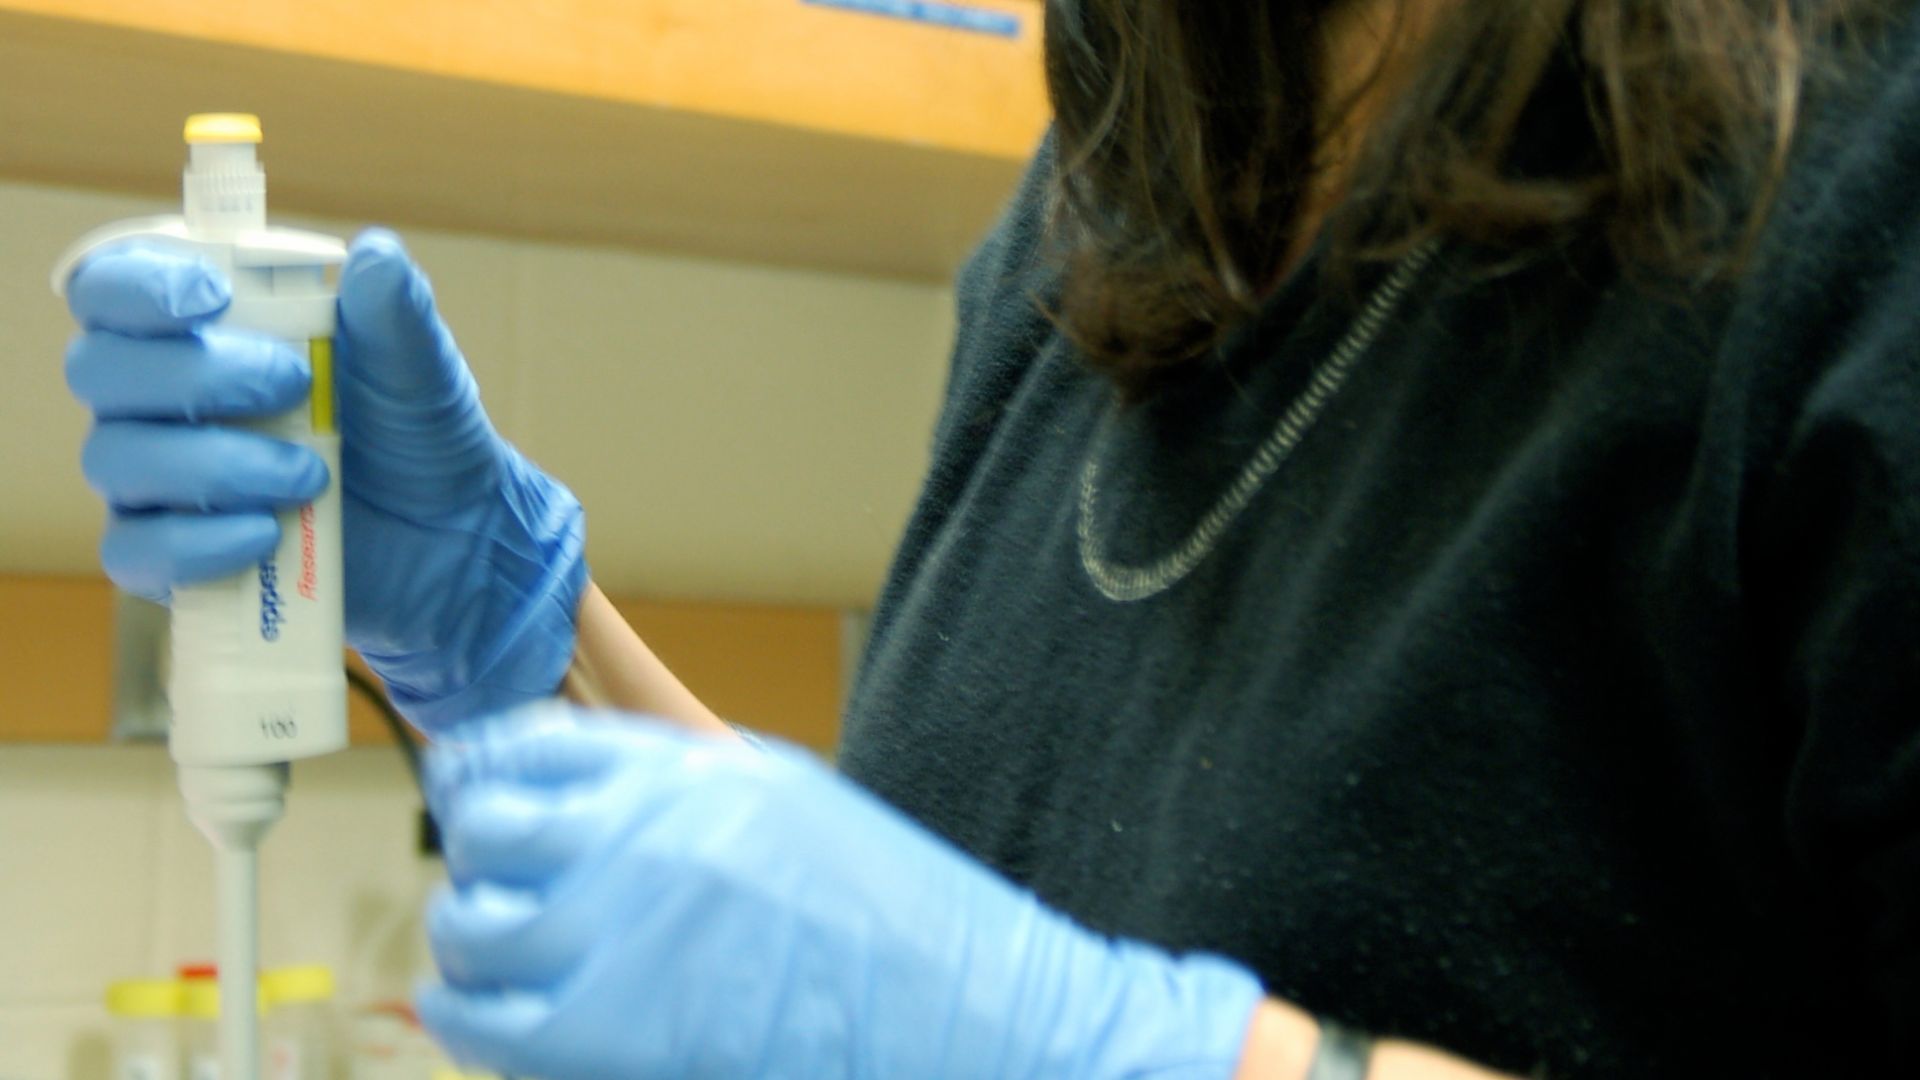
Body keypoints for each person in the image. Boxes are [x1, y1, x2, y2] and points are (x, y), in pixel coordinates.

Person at [60, 0, 1920, 1075]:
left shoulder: (1864, 182)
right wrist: (516, 666)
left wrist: (1139, 1066)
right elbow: (922, 970)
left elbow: (1013, 1025)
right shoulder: (1108, 210)